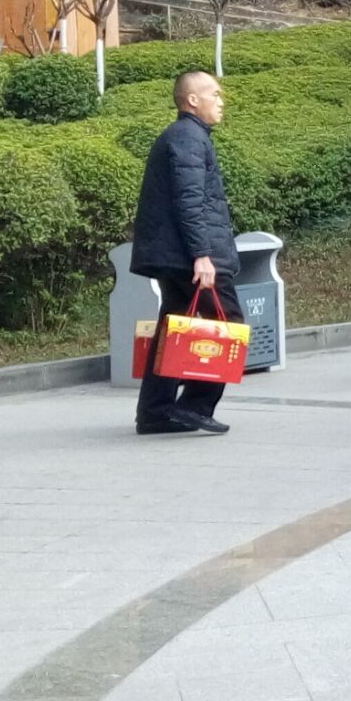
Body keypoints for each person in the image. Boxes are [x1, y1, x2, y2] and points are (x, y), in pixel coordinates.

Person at [131, 71, 240, 436]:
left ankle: (155, 413)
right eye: (215, 94)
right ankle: (193, 406)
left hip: (174, 255)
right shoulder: (188, 138)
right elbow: (189, 201)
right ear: (193, 100)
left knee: (172, 329)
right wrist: (202, 255)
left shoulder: (186, 136)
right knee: (229, 323)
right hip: (188, 258)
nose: (221, 101)